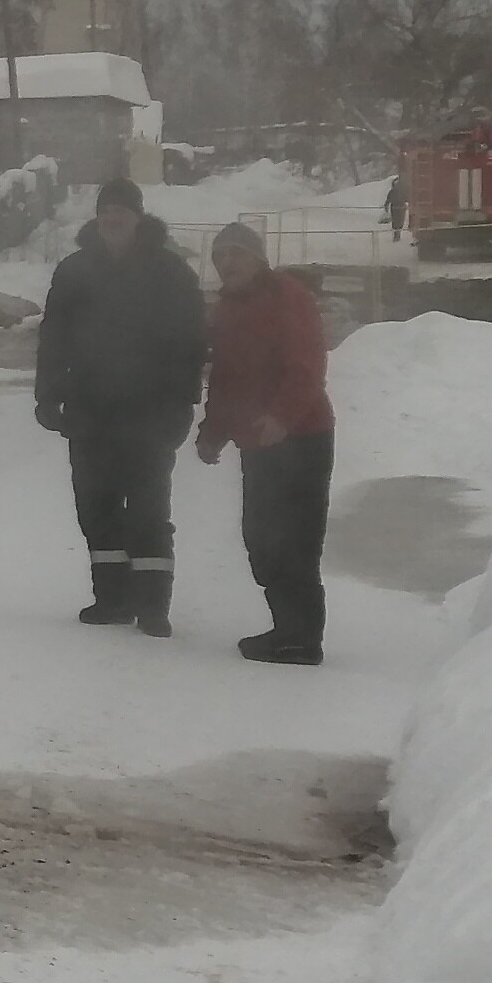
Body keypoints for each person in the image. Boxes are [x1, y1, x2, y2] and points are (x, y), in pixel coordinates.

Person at [32, 176, 207, 635]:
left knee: (148, 511)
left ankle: (152, 607)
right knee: (97, 508)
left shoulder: (170, 272)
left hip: (150, 413)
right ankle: (111, 600)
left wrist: (183, 405)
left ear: (137, 217)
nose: (113, 218)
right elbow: (54, 338)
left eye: (122, 211)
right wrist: (48, 395)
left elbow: (192, 343)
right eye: (106, 209)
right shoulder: (74, 271)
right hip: (90, 413)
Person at [195, 221, 335, 664]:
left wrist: (281, 416)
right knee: (261, 539)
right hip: (257, 443)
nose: (226, 263)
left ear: (258, 258)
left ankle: (301, 638)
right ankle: (287, 628)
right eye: (219, 256)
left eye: (235, 252)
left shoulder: (286, 296)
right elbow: (227, 379)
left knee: (294, 541)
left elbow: (306, 364)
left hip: (302, 436)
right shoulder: (228, 310)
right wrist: (212, 433)